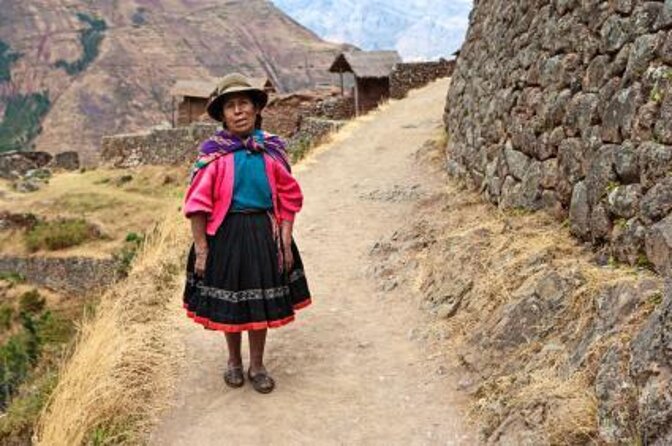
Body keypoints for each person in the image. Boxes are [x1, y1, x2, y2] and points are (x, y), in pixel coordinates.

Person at [182, 73, 311, 394]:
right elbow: (196, 205)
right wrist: (202, 249)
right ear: (222, 115)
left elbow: (289, 197)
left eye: (244, 104)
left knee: (260, 304)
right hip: (225, 236)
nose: (238, 111)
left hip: (264, 234)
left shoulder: (271, 150)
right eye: (231, 106)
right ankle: (233, 362)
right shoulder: (214, 155)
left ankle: (257, 365)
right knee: (232, 303)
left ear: (256, 109)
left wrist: (284, 237)